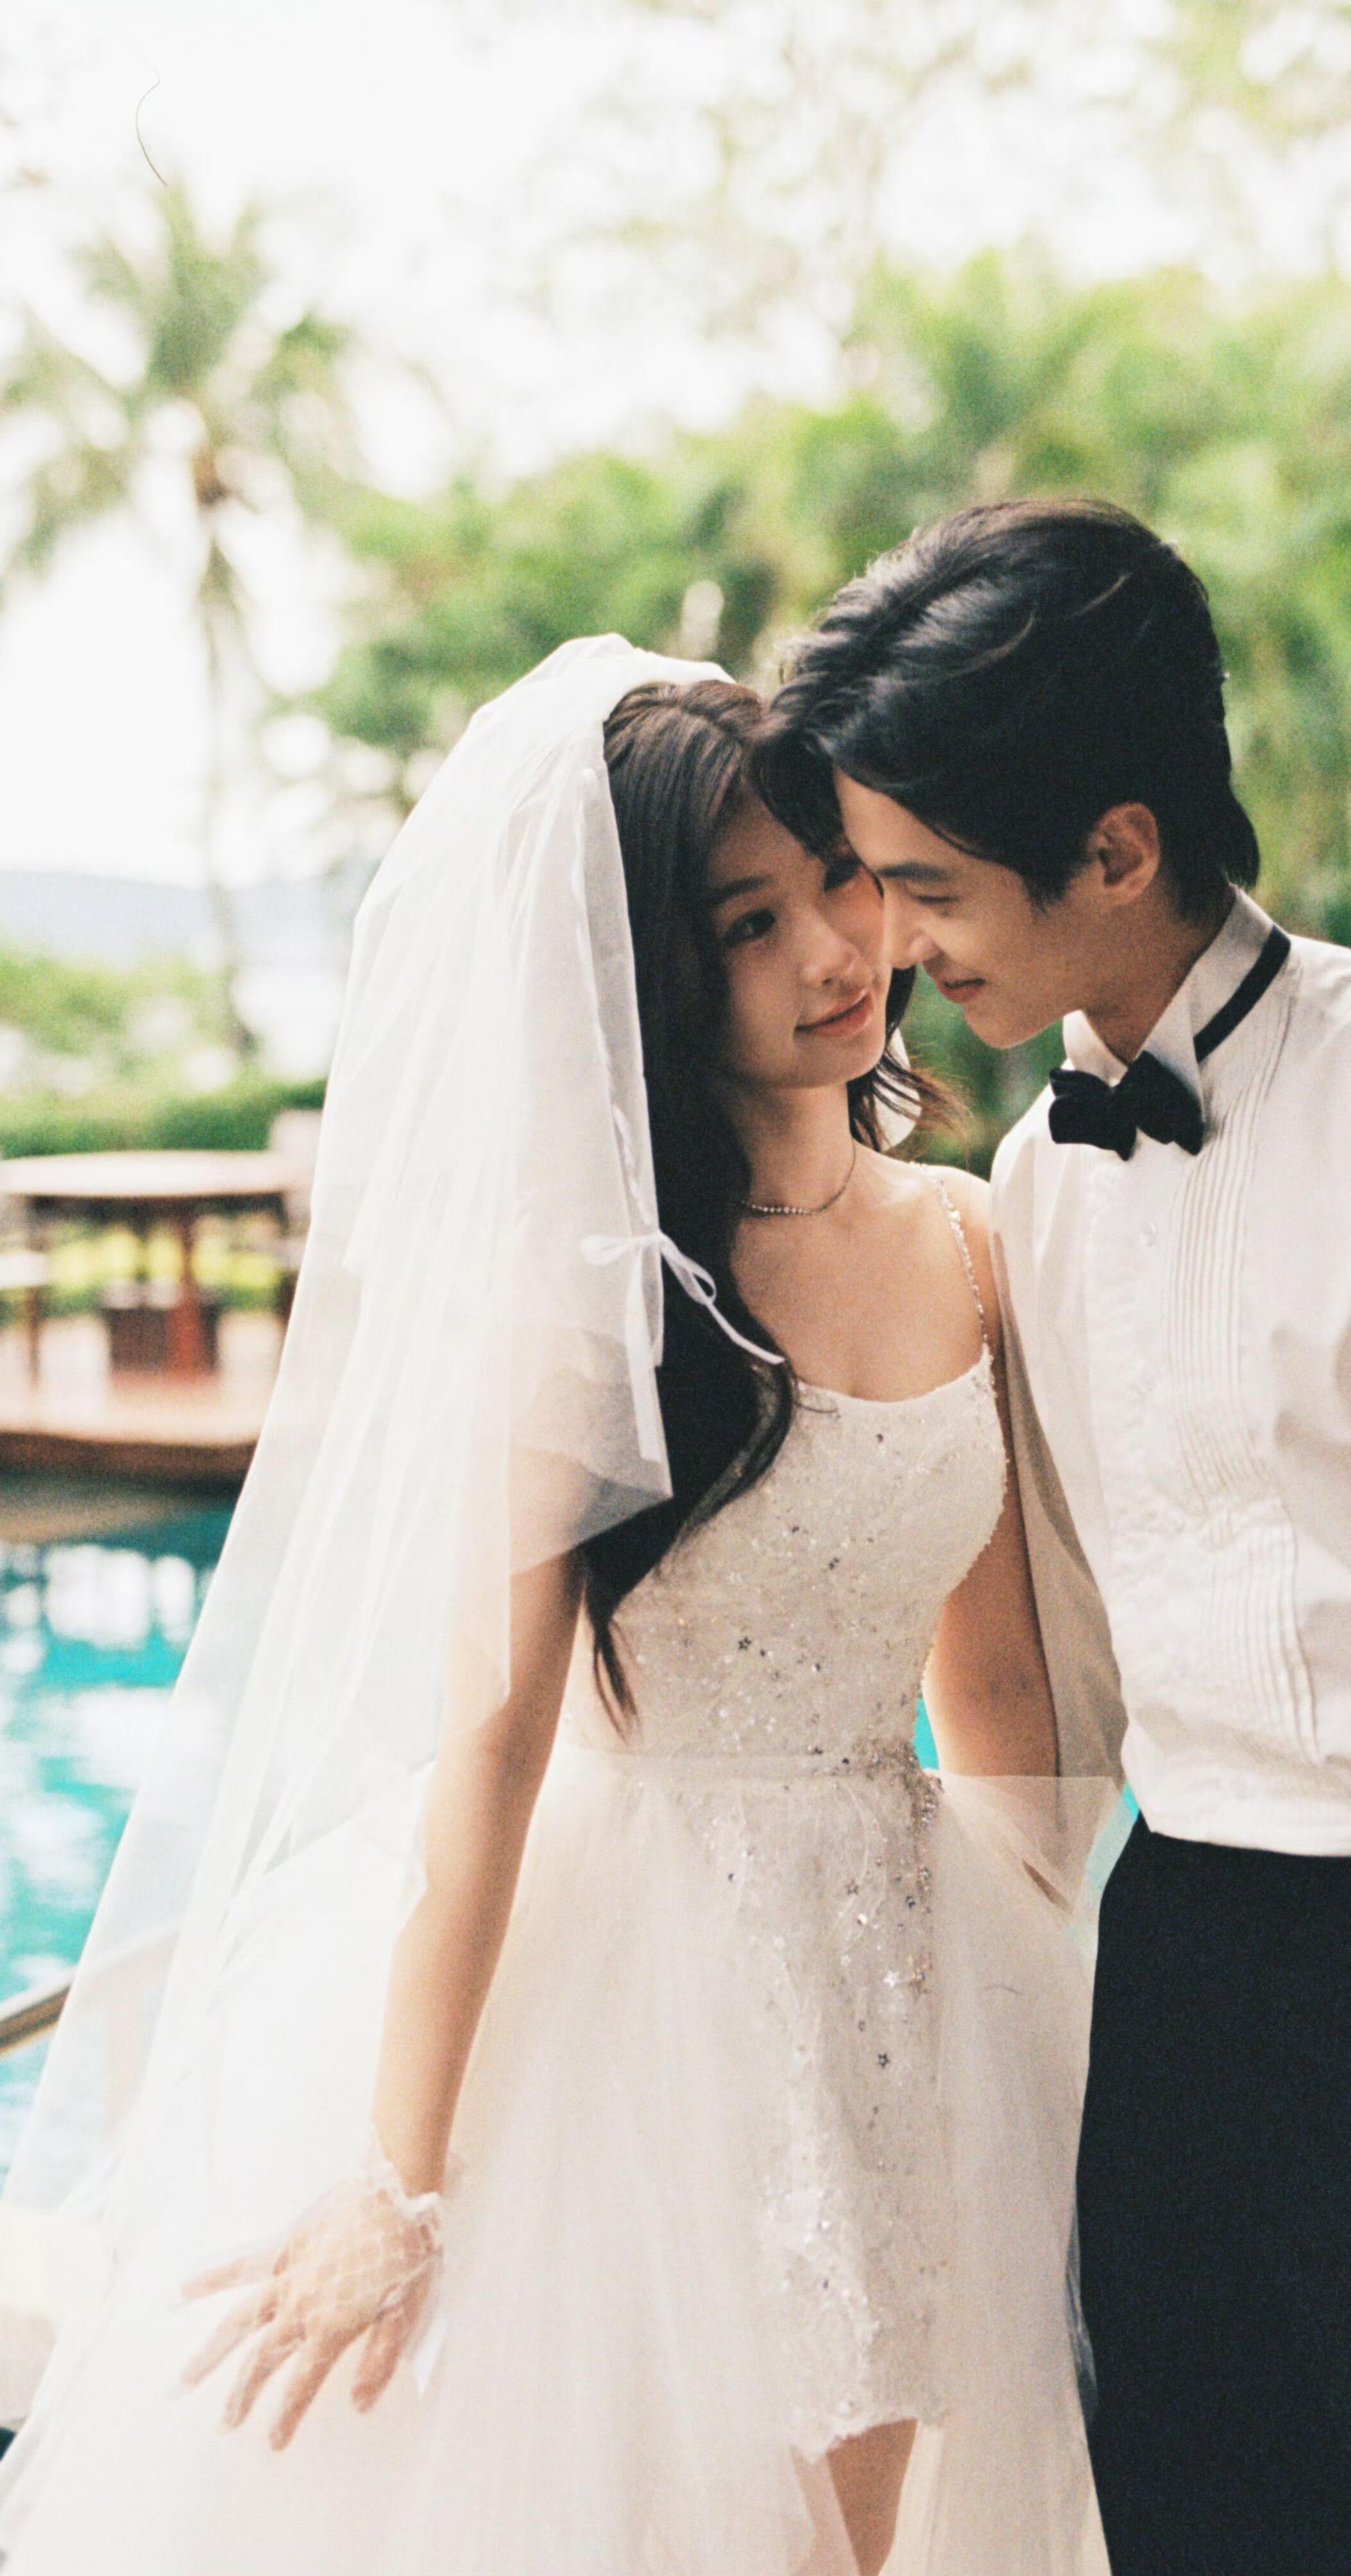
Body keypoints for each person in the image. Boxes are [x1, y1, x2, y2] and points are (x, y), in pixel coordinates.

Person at [0, 640, 1110, 2576]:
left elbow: (995, 1671)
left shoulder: (967, 1235)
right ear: (653, 973)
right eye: (748, 923)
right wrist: (401, 2179)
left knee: (875, 2517)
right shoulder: (588, 1306)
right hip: (632, 1983)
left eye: (837, 881)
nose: (831, 951)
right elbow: (493, 1744)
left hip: (904, 1964)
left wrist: (1058, 1996)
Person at [754, 498, 1351, 2575]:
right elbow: (1073, 1634)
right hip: (1178, 1963)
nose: (894, 942)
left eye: (930, 886)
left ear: (1116, 848)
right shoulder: (1039, 1174)